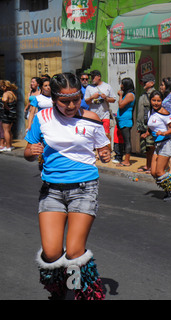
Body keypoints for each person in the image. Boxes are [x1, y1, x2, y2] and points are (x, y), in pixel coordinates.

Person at [24, 72, 111, 299]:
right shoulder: (42, 118)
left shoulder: (91, 118)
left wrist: (105, 154)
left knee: (73, 251)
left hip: (84, 188)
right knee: (52, 253)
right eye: (65, 101)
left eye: (76, 99)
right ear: (54, 99)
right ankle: (59, 288)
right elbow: (28, 150)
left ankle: (78, 292)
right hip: (51, 190)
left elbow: (104, 147)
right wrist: (31, 152)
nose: (72, 105)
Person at [140, 90, 171, 201]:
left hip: (165, 144)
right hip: (157, 145)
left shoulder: (164, 113)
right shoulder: (151, 111)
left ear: (162, 101)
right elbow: (151, 125)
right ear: (150, 101)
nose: (156, 103)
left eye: (159, 101)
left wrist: (164, 133)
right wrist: (147, 133)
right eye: (154, 100)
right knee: (153, 172)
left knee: (159, 171)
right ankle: (169, 190)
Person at [84, 70, 117, 141]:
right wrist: (92, 97)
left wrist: (106, 98)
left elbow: (113, 99)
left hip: (105, 114)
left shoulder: (107, 86)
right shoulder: (89, 87)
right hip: (93, 115)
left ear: (99, 77)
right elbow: (87, 101)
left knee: (106, 134)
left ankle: (108, 149)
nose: (92, 79)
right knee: (94, 135)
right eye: (91, 77)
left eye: (93, 77)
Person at [136, 74, 156, 173]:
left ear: (152, 83)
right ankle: (148, 165)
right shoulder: (143, 95)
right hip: (143, 125)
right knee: (146, 148)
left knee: (151, 146)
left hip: (150, 126)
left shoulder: (154, 95)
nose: (143, 83)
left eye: (146, 81)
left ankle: (153, 166)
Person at [116, 77, 135, 167]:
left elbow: (121, 105)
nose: (121, 86)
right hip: (122, 120)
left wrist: (120, 95)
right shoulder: (127, 94)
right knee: (124, 140)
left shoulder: (130, 95)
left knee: (127, 140)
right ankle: (124, 158)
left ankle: (127, 160)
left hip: (126, 120)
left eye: (122, 84)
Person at [0, 80, 18, 152]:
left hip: (7, 114)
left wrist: (5, 105)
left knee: (6, 131)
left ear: (5, 87)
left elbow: (4, 100)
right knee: (9, 130)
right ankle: (10, 145)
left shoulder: (6, 93)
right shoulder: (12, 93)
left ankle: (7, 146)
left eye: (2, 87)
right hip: (12, 114)